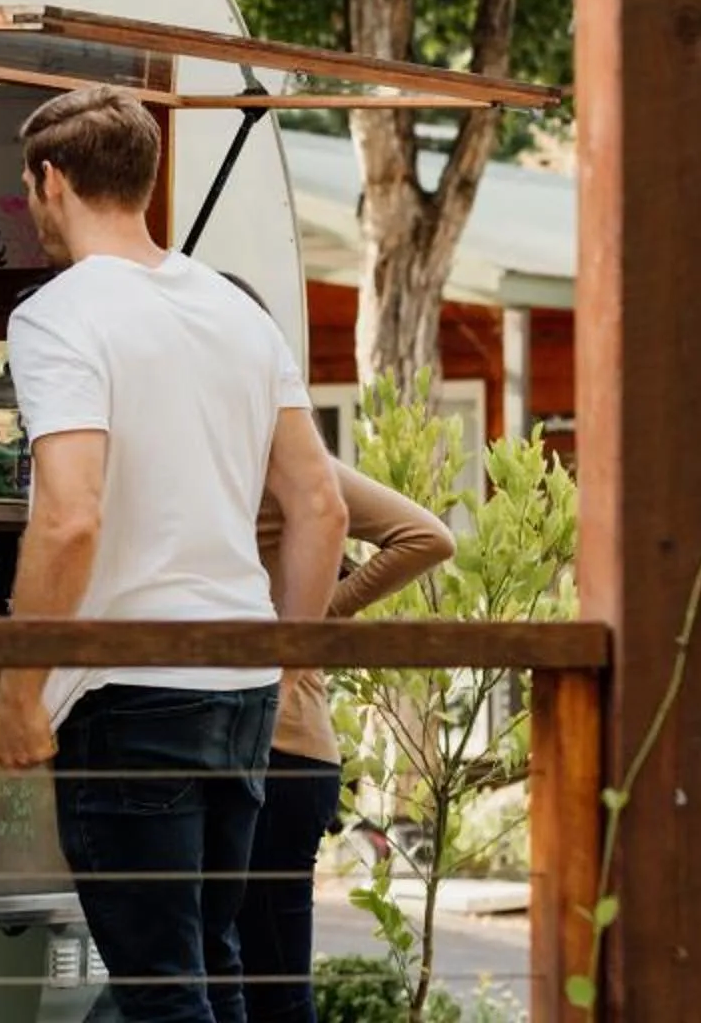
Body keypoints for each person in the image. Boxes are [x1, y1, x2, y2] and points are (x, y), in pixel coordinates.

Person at [0, 86, 348, 1023]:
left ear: (50, 180)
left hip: (128, 696)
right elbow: (319, 504)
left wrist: (20, 691)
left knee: (162, 993)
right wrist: (284, 661)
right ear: (145, 183)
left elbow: (71, 517)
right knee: (209, 967)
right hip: (240, 688)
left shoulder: (58, 314)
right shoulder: (235, 312)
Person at [216, 274, 457, 1023]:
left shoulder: (266, 452)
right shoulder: (233, 449)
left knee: (258, 980)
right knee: (250, 975)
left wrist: (312, 616)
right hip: (281, 746)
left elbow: (428, 535)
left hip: (275, 744)